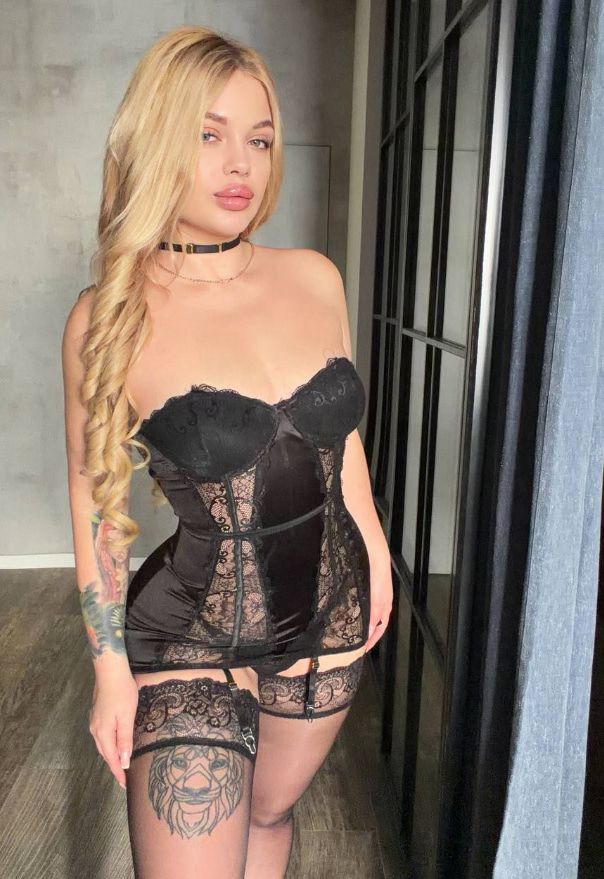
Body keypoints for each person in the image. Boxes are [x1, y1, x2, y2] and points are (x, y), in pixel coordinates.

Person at [62, 24, 392, 879]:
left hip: (331, 618)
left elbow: (341, 440)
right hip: (192, 633)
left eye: (260, 138)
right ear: (156, 140)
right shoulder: (109, 317)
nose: (240, 164)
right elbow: (96, 502)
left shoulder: (315, 277)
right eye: (208, 136)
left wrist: (376, 550)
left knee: (271, 814)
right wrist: (108, 670)